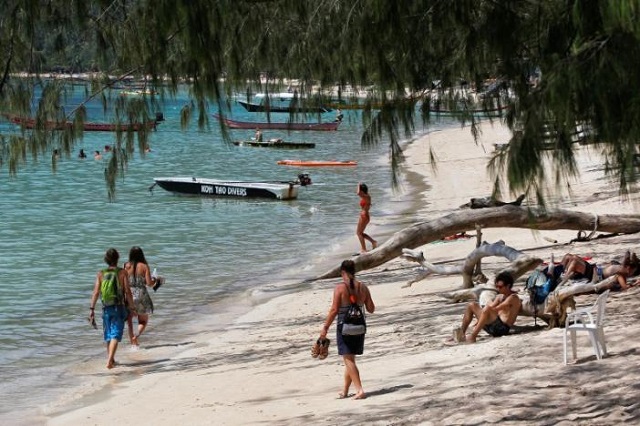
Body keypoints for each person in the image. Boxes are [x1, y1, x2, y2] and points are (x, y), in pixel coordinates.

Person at [319, 259, 375, 400]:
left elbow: (334, 310)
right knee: (350, 359)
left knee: (348, 359)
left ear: (342, 272)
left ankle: (360, 390)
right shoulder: (363, 287)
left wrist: (325, 328)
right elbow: (371, 309)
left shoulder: (340, 288)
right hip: (360, 328)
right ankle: (345, 390)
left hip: (344, 327)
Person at [89, 248, 135, 369]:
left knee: (108, 334)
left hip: (106, 308)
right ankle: (109, 361)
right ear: (117, 258)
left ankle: (112, 359)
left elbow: (96, 292)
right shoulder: (122, 272)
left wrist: (92, 309)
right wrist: (132, 306)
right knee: (115, 334)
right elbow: (128, 291)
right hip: (118, 307)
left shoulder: (101, 273)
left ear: (106, 259)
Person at [453, 272, 521, 344]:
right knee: (471, 305)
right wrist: (489, 304)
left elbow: (496, 308)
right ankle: (462, 334)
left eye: (500, 287)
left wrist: (489, 304)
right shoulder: (500, 296)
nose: (498, 289)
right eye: (496, 286)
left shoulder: (513, 298)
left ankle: (473, 336)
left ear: (508, 286)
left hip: (502, 329)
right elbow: (493, 307)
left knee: (487, 308)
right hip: (493, 325)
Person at [124, 246, 158, 347]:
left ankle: (133, 344)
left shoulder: (126, 265)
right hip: (141, 295)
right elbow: (149, 284)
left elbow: (123, 281)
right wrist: (155, 279)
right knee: (143, 321)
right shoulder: (144, 266)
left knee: (130, 321)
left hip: (129, 295)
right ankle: (136, 336)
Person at [559, 251, 639, 291]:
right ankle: (558, 271)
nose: (631, 273)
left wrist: (635, 284)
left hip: (594, 276)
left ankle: (563, 279)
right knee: (569, 256)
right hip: (594, 270)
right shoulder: (619, 267)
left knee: (574, 261)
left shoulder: (621, 274)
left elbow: (625, 287)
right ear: (629, 268)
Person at [356, 182, 377, 253]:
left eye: (360, 190)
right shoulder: (366, 196)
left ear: (362, 190)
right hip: (365, 215)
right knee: (360, 233)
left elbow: (358, 193)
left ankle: (364, 249)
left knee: (359, 233)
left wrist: (358, 184)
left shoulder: (367, 197)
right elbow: (359, 193)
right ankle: (373, 242)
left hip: (364, 216)